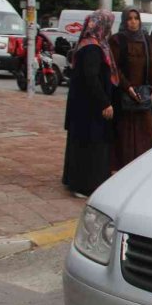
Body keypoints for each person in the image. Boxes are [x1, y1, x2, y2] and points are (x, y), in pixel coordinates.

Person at [62, 10, 117, 198]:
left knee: (80, 145)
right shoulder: (93, 48)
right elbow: (92, 78)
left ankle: (76, 182)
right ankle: (85, 186)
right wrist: (104, 103)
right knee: (91, 146)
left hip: (83, 107)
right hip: (90, 108)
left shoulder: (87, 44)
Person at [109, 7, 152, 170]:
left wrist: (151, 89)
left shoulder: (146, 39)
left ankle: (143, 166)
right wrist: (127, 87)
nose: (133, 22)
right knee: (126, 133)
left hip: (143, 93)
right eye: (129, 19)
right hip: (125, 94)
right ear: (124, 21)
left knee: (146, 130)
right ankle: (124, 166)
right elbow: (115, 68)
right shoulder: (117, 40)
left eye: (136, 18)